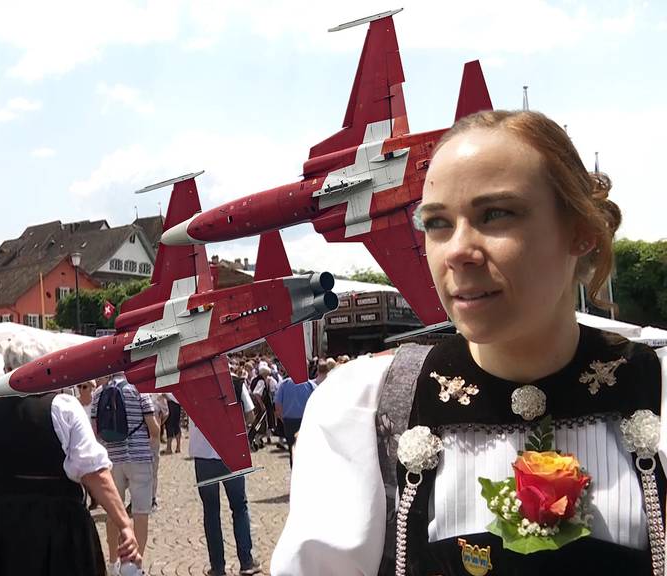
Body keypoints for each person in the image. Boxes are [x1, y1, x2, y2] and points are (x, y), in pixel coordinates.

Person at [272, 110, 667, 575]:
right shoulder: (363, 408)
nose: (457, 250)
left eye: (496, 214)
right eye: (437, 223)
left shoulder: (656, 389)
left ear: (580, 231)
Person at [0, 350, 141, 576]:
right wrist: (124, 524)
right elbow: (94, 472)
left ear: (7, 373)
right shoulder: (66, 408)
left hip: (1, 531)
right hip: (61, 529)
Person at [91, 373, 159, 575]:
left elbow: (94, 432)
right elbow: (153, 429)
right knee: (140, 513)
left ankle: (113, 564)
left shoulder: (98, 393)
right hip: (138, 458)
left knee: (113, 512)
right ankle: (134, 566)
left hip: (112, 459)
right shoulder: (139, 389)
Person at [192, 380, 261, 576]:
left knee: (211, 512)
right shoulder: (235, 382)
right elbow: (250, 414)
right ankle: (246, 562)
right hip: (232, 452)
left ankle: (217, 566)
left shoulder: (192, 382)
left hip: (204, 455)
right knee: (239, 507)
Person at [273, 371, 317, 467]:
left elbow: (278, 406)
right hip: (306, 421)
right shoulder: (310, 384)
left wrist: (282, 419)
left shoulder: (284, 384)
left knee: (293, 450)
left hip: (290, 422)